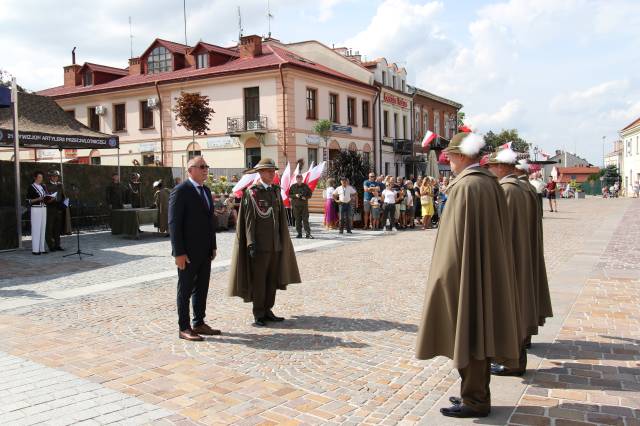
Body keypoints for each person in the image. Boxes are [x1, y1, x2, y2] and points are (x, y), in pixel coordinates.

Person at [416, 132, 520, 419]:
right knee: (477, 332)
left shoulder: (466, 187)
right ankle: (473, 392)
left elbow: (454, 243)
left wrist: (443, 278)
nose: (448, 162)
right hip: (481, 270)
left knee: (469, 332)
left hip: (465, 273)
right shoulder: (488, 184)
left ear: (461, 156)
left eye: (450, 157)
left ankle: (475, 399)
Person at [228, 158, 301, 327]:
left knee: (272, 279)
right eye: (268, 171)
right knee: (259, 281)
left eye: (272, 171)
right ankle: (259, 312)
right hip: (260, 245)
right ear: (260, 173)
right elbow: (249, 220)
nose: (271, 173)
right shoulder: (252, 193)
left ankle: (268, 309)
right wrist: (251, 243)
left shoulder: (275, 191)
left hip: (275, 244)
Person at [486, 149, 537, 377]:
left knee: (510, 310)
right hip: (520, 253)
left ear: (500, 167)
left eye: (491, 166)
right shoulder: (521, 187)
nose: (489, 170)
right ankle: (515, 358)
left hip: (511, 257)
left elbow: (501, 227)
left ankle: (513, 361)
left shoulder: (507, 189)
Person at [168, 156, 219, 342]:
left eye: (207, 166)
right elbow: (174, 223)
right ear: (190, 170)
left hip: (204, 250)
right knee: (185, 289)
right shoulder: (181, 191)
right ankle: (184, 327)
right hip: (187, 253)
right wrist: (178, 252)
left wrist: (212, 245)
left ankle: (199, 322)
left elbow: (209, 221)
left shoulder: (205, 190)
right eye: (202, 166)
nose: (206, 169)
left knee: (202, 287)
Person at [26, 171, 49, 255]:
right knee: (36, 228)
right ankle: (35, 249)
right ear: (35, 178)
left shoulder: (43, 186)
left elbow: (46, 196)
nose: (41, 179)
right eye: (39, 177)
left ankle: (42, 248)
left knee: (43, 228)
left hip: (44, 208)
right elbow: (28, 200)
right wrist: (38, 199)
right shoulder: (31, 187)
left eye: (42, 177)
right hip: (36, 209)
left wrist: (50, 198)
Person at [44, 169, 66, 252]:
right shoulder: (46, 185)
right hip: (50, 208)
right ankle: (51, 246)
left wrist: (64, 205)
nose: (55, 178)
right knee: (49, 228)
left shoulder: (60, 185)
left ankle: (57, 245)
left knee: (57, 228)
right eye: (53, 176)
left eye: (56, 176)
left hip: (58, 208)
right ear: (50, 177)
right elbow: (45, 197)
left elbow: (63, 196)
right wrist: (50, 199)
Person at [289, 174, 313, 239]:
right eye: (298, 179)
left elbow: (310, 194)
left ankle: (308, 234)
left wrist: (306, 197)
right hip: (296, 206)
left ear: (302, 179)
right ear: (296, 179)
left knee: (305, 220)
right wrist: (295, 195)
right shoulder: (293, 186)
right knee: (297, 220)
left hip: (304, 206)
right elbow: (289, 195)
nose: (299, 180)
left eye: (300, 179)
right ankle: (299, 234)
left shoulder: (305, 186)